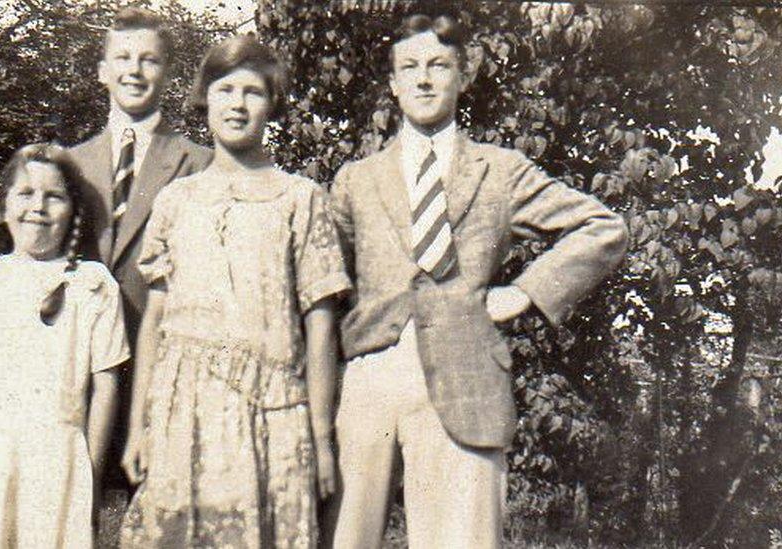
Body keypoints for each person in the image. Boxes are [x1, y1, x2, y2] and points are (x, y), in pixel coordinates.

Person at [328, 13, 629, 549]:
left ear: (463, 76)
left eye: (439, 66)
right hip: (370, 375)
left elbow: (601, 227)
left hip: (466, 374)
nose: (424, 79)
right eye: (410, 67)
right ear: (393, 83)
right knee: (343, 538)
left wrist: (526, 292)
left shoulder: (500, 170)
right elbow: (325, 276)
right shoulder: (356, 179)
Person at [118, 35, 350, 548]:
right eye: (225, 90)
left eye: (252, 92)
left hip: (271, 415)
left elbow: (320, 327)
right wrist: (138, 426)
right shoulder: (176, 200)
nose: (237, 105)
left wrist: (321, 438)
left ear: (271, 104)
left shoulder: (301, 198)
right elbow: (153, 325)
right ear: (206, 99)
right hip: (184, 416)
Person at [0, 143, 129, 548]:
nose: (39, 207)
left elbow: (105, 388)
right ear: (4, 205)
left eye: (54, 196)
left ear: (73, 211)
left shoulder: (93, 284)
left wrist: (93, 477)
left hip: (56, 462)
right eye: (26, 193)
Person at [67, 7, 212, 487]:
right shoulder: (69, 164)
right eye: (123, 58)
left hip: (163, 357)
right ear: (102, 71)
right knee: (68, 502)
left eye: (149, 60)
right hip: (81, 359)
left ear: (167, 73)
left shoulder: (200, 163)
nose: (134, 70)